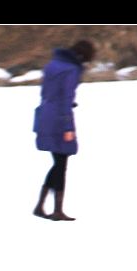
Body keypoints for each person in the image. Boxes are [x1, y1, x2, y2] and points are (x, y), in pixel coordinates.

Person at [32, 39, 96, 222]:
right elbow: (67, 97)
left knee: (58, 162)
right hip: (59, 119)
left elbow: (48, 92)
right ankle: (57, 210)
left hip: (45, 114)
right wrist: (68, 126)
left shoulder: (53, 64)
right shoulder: (72, 70)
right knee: (61, 163)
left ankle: (40, 206)